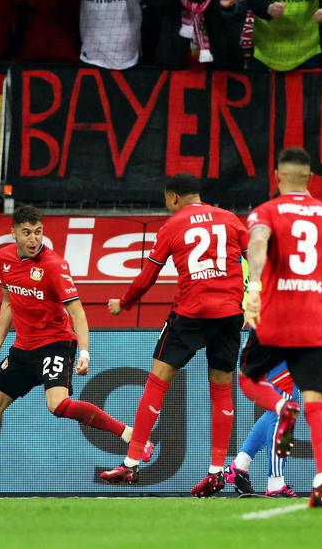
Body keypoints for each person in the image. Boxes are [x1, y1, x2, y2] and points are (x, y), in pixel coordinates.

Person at [0, 204, 148, 498]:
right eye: (26, 232)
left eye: (38, 232)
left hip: (55, 343)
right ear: (13, 233)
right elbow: (7, 301)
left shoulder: (53, 265)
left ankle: (131, 436)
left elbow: (77, 312)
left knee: (58, 405)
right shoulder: (3, 258)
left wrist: (85, 353)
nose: (33, 239)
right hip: (22, 349)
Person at [99, 174, 248, 496]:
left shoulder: (172, 225)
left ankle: (131, 462)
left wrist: (124, 303)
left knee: (158, 380)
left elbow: (148, 274)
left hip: (191, 312)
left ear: (173, 197)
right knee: (222, 389)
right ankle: (217, 471)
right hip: (228, 313)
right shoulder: (230, 219)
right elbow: (256, 258)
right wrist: (251, 297)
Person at [238, 146, 322, 508]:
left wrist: (255, 287)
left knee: (247, 379)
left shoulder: (266, 212)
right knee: (317, 406)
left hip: (275, 321)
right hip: (315, 326)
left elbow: (258, 244)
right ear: (310, 178)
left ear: (277, 177)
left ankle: (279, 409)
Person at [223, 362, 302, 497]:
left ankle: (240, 465)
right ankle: (275, 484)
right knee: (285, 405)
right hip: (280, 346)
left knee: (283, 404)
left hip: (280, 348)